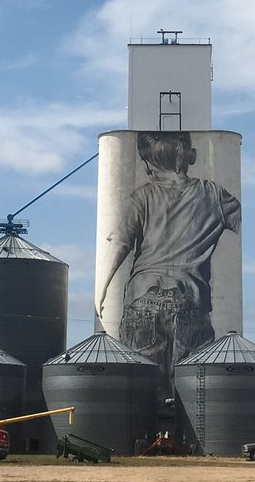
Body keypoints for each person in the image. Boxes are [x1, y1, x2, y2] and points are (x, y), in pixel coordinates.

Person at [98, 130, 241, 385]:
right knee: (192, 389)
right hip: (190, 300)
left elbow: (120, 244)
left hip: (142, 300)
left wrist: (103, 289)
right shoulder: (215, 195)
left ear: (147, 164)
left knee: (142, 389)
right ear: (192, 156)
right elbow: (242, 222)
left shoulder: (141, 197)